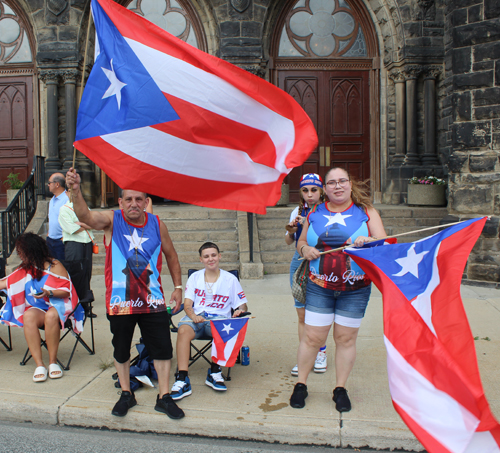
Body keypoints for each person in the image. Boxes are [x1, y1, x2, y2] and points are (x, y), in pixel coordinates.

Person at [65, 168, 185, 420]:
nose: (133, 203)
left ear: (146, 202)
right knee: (121, 350)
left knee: (163, 350)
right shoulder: (112, 220)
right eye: (128, 199)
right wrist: (75, 191)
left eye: (139, 199)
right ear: (120, 202)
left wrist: (178, 287)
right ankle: (127, 394)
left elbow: (171, 256)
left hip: (153, 301)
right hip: (121, 303)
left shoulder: (156, 224)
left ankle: (164, 397)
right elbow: (85, 215)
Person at [289, 167, 387, 413]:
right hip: (319, 286)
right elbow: (300, 242)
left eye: (342, 181)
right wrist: (304, 251)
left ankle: (340, 388)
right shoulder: (312, 212)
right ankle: (301, 384)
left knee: (345, 339)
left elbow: (384, 241)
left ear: (350, 185)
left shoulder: (366, 212)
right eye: (332, 182)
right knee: (312, 338)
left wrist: (369, 241)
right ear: (326, 188)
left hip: (355, 287)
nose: (337, 186)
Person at [0, 233, 84, 382]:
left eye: (21, 252)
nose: (20, 255)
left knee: (51, 316)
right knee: (28, 316)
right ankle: (39, 364)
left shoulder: (55, 265)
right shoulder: (26, 268)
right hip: (39, 307)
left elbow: (67, 291)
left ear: (32, 251)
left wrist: (48, 292)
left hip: (59, 304)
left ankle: (53, 362)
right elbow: (5, 283)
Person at [170, 242, 248, 400]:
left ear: (219, 256)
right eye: (206, 256)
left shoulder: (230, 279)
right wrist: (193, 317)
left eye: (213, 255)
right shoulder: (195, 277)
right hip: (197, 317)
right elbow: (187, 304)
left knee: (222, 329)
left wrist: (241, 310)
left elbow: (242, 304)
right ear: (201, 259)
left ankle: (214, 372)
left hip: (219, 319)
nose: (210, 259)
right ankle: (182, 378)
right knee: (183, 330)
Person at [285, 173, 327, 376]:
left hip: (321, 259)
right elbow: (287, 241)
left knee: (319, 311)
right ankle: (304, 356)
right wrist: (293, 229)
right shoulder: (298, 210)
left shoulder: (328, 210)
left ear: (321, 191)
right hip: (299, 260)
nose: (310, 194)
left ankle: (321, 353)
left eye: (314, 189)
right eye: (305, 190)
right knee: (301, 312)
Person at [58, 200, 95, 316]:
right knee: (75, 274)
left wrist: (81, 224)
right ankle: (74, 307)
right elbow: (71, 228)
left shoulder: (85, 208)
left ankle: (86, 306)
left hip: (87, 242)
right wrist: (84, 225)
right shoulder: (64, 209)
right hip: (74, 244)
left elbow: (93, 224)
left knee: (87, 273)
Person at [46, 173, 69, 261]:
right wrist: (49, 233)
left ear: (57, 184)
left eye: (50, 183)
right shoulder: (52, 199)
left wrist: (64, 236)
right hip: (50, 239)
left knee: (63, 267)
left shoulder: (66, 199)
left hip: (61, 240)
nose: (48, 185)